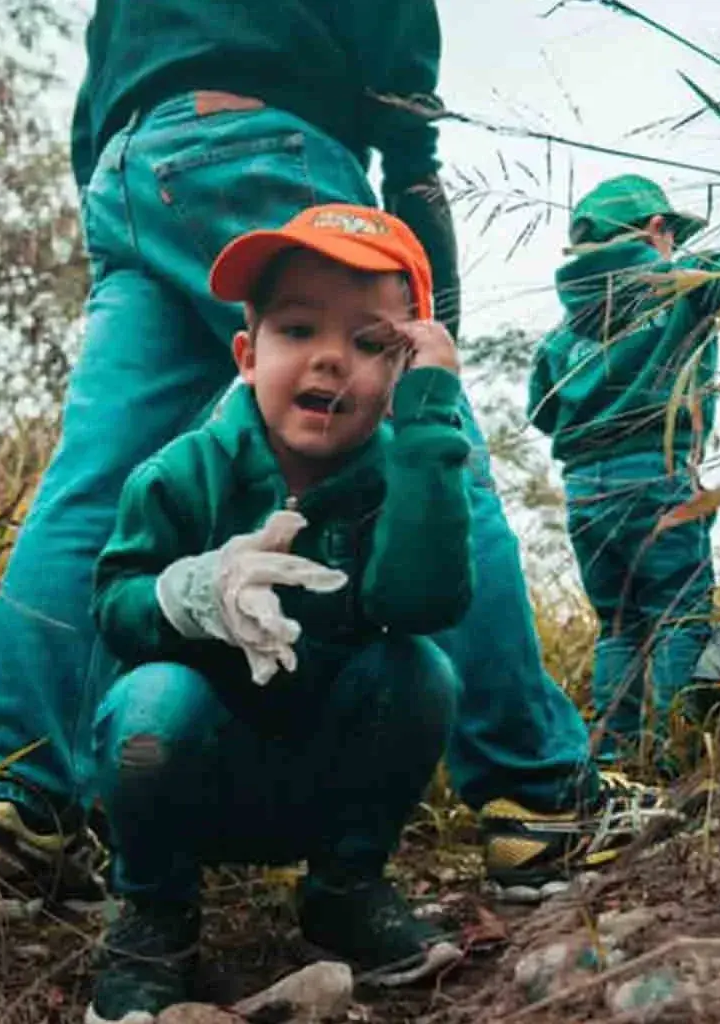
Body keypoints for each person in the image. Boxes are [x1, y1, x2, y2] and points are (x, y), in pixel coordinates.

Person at [0, 0, 625, 907]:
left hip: (126, 175)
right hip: (264, 148)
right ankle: (537, 794)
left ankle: (20, 812)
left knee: (94, 488)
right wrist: (433, 337)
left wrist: (125, 177)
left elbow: (99, 86)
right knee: (432, 447)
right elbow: (405, 105)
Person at [83, 203, 468, 1023]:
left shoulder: (401, 477)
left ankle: (345, 890)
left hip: (325, 775)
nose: (330, 358)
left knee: (419, 671)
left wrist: (431, 420)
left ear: (402, 375)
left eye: (371, 343)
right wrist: (192, 593)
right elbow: (114, 606)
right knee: (150, 703)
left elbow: (424, 602)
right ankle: (155, 915)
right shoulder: (180, 474)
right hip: (190, 772)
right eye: (298, 330)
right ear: (248, 356)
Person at [526, 173, 720, 773]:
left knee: (619, 627)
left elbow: (542, 410)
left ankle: (613, 762)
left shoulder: (560, 336)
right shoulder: (681, 281)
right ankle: (677, 757)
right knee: (679, 615)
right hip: (657, 474)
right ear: (656, 229)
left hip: (584, 492)